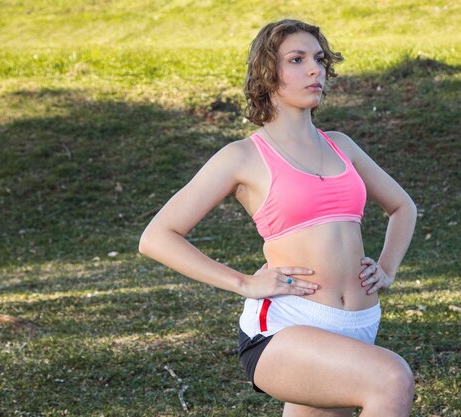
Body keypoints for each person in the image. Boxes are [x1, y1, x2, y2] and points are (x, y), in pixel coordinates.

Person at [139, 18, 417, 417]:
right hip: (285, 328)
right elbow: (158, 236)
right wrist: (243, 282)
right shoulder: (243, 157)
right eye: (297, 59)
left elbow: (402, 206)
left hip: (357, 324)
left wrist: (387, 267)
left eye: (319, 59)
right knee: (391, 378)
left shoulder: (342, 146)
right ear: (268, 72)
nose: (314, 70)